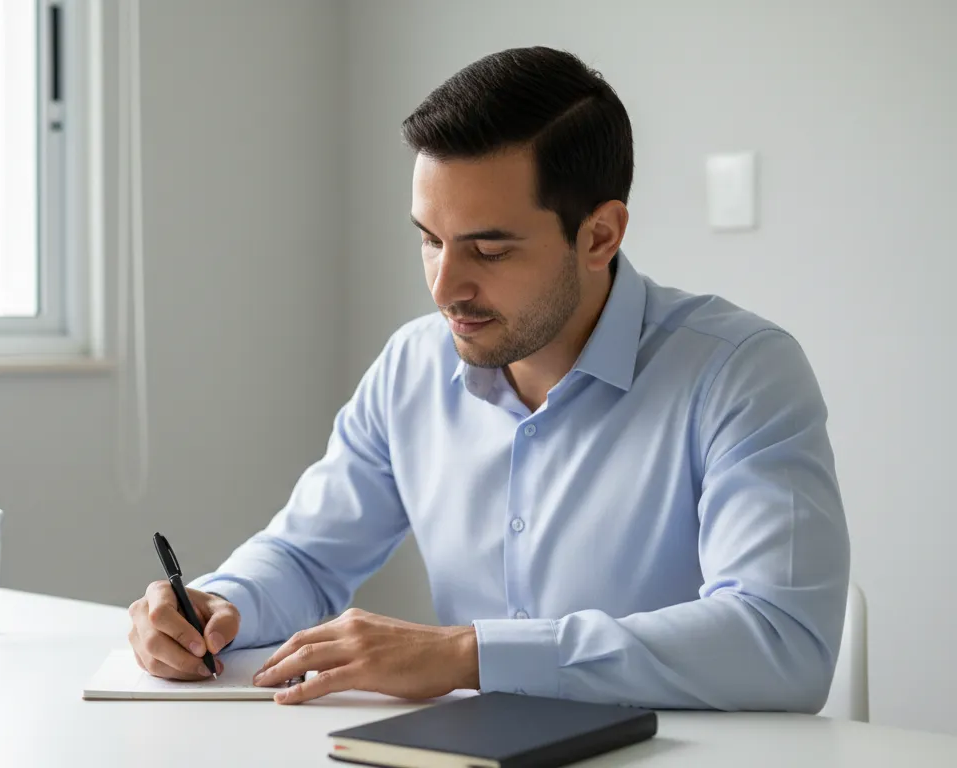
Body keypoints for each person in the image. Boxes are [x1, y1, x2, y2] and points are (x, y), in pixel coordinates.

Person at [126, 46, 850, 713]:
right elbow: (307, 557)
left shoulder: (741, 373)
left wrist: (470, 655)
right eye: (430, 240)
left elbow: (780, 643)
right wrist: (223, 604)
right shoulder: (413, 365)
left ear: (600, 235)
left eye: (489, 251)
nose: (446, 288)